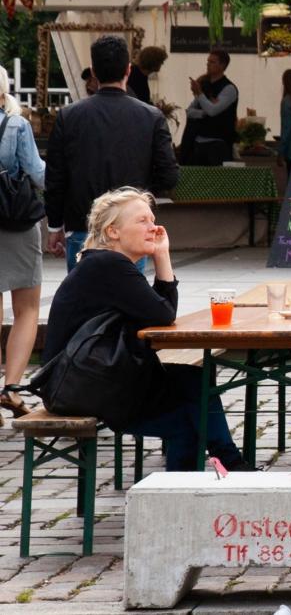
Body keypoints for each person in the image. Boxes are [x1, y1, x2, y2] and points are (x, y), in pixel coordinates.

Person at [44, 188, 246, 471]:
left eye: (152, 219)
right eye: (142, 221)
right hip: (81, 385)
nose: (154, 228)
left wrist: (161, 255)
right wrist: (162, 257)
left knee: (192, 383)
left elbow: (158, 313)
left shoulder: (104, 263)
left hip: (84, 378)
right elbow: (163, 314)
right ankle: (229, 464)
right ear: (113, 232)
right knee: (192, 397)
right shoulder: (109, 264)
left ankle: (221, 467)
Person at [45, 35, 179, 273]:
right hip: (131, 230)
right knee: (129, 302)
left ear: (94, 72)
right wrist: (142, 192)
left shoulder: (69, 117)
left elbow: (55, 178)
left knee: (85, 304)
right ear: (128, 69)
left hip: (84, 226)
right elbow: (169, 176)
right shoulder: (151, 117)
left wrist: (55, 227)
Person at [0, 67, 44, 424]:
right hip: (14, 224)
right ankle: (10, 388)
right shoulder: (15, 126)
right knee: (27, 308)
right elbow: (38, 173)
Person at [179, 50, 239, 166]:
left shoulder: (228, 88)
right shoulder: (205, 85)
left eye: (212, 62)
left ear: (222, 65)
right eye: (208, 61)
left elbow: (212, 111)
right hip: (198, 141)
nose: (208, 64)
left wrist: (200, 94)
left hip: (218, 144)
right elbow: (190, 111)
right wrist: (204, 112)